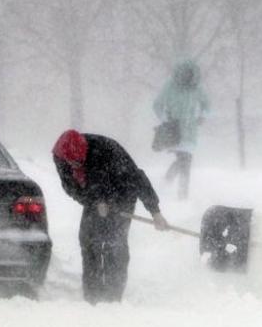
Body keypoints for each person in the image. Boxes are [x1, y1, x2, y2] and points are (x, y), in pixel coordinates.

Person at [52, 130, 169, 304]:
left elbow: (137, 179)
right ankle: (92, 294)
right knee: (88, 240)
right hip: (93, 197)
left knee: (115, 242)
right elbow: (70, 187)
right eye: (71, 162)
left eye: (79, 161)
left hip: (122, 192)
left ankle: (113, 295)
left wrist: (155, 212)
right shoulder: (61, 157)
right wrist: (94, 201)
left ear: (85, 153)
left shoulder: (106, 150)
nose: (75, 164)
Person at [153, 59, 210, 199]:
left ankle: (169, 183)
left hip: (191, 130)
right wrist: (166, 119)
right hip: (175, 130)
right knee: (185, 160)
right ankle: (181, 194)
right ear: (178, 73)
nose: (186, 76)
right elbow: (157, 105)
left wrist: (202, 116)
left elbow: (207, 104)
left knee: (185, 160)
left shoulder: (197, 87)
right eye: (183, 73)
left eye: (188, 74)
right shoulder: (170, 86)